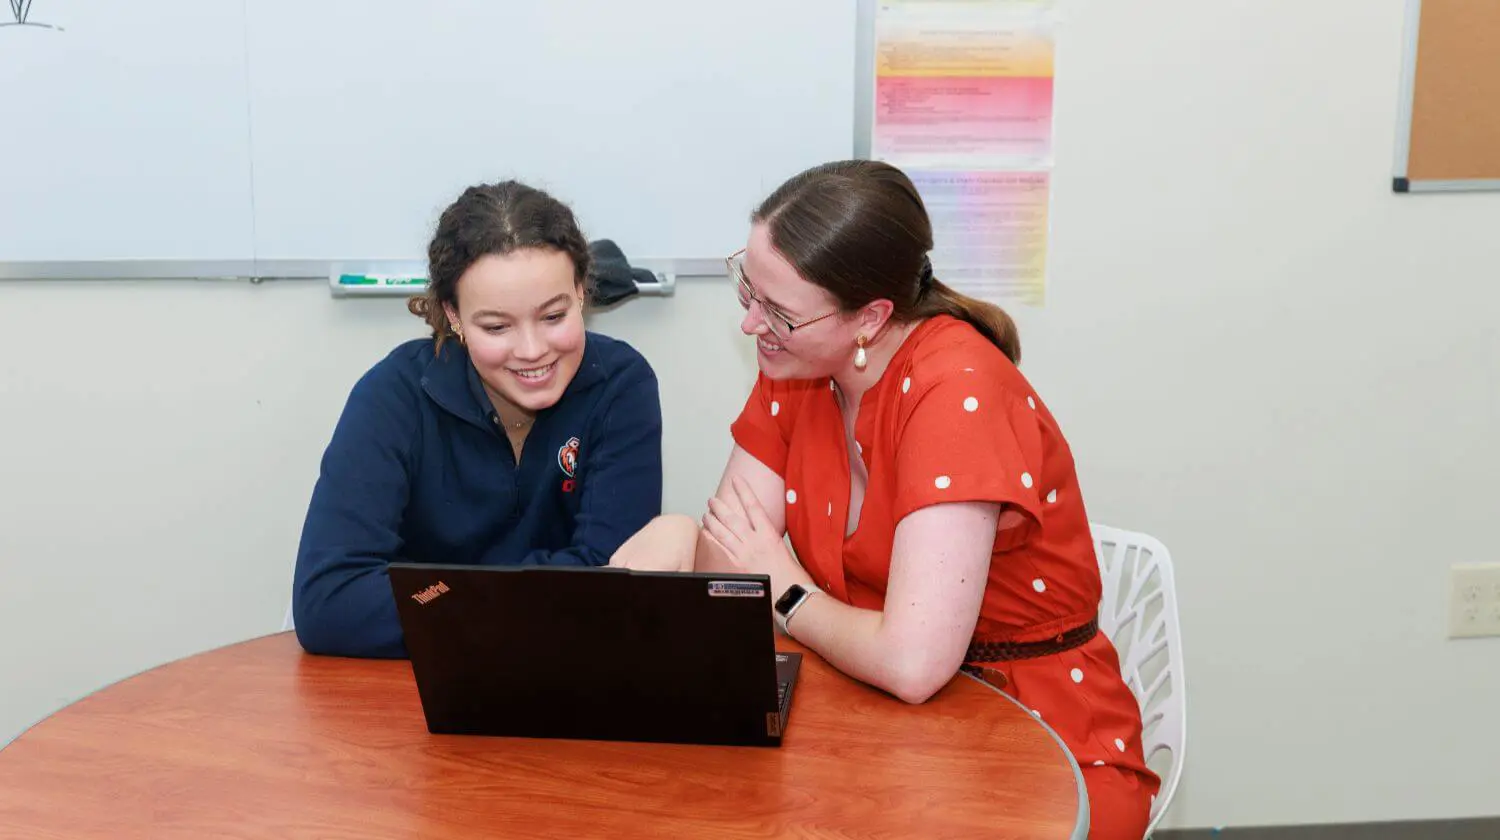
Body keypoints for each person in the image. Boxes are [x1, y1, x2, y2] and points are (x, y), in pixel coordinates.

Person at [613, 161, 1159, 839]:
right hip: (862, 706)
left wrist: (789, 593)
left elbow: (911, 662)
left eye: (779, 311)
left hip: (1028, 730)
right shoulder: (798, 366)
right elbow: (727, 573)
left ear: (869, 318)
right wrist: (675, 539)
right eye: (746, 290)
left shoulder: (957, 393)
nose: (753, 324)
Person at [293, 180, 664, 659]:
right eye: (496, 326)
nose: (532, 350)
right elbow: (330, 602)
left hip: (565, 683)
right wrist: (545, 597)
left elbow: (613, 586)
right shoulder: (392, 397)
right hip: (410, 698)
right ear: (453, 316)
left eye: (553, 316)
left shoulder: (621, 385)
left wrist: (438, 598)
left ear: (580, 292)